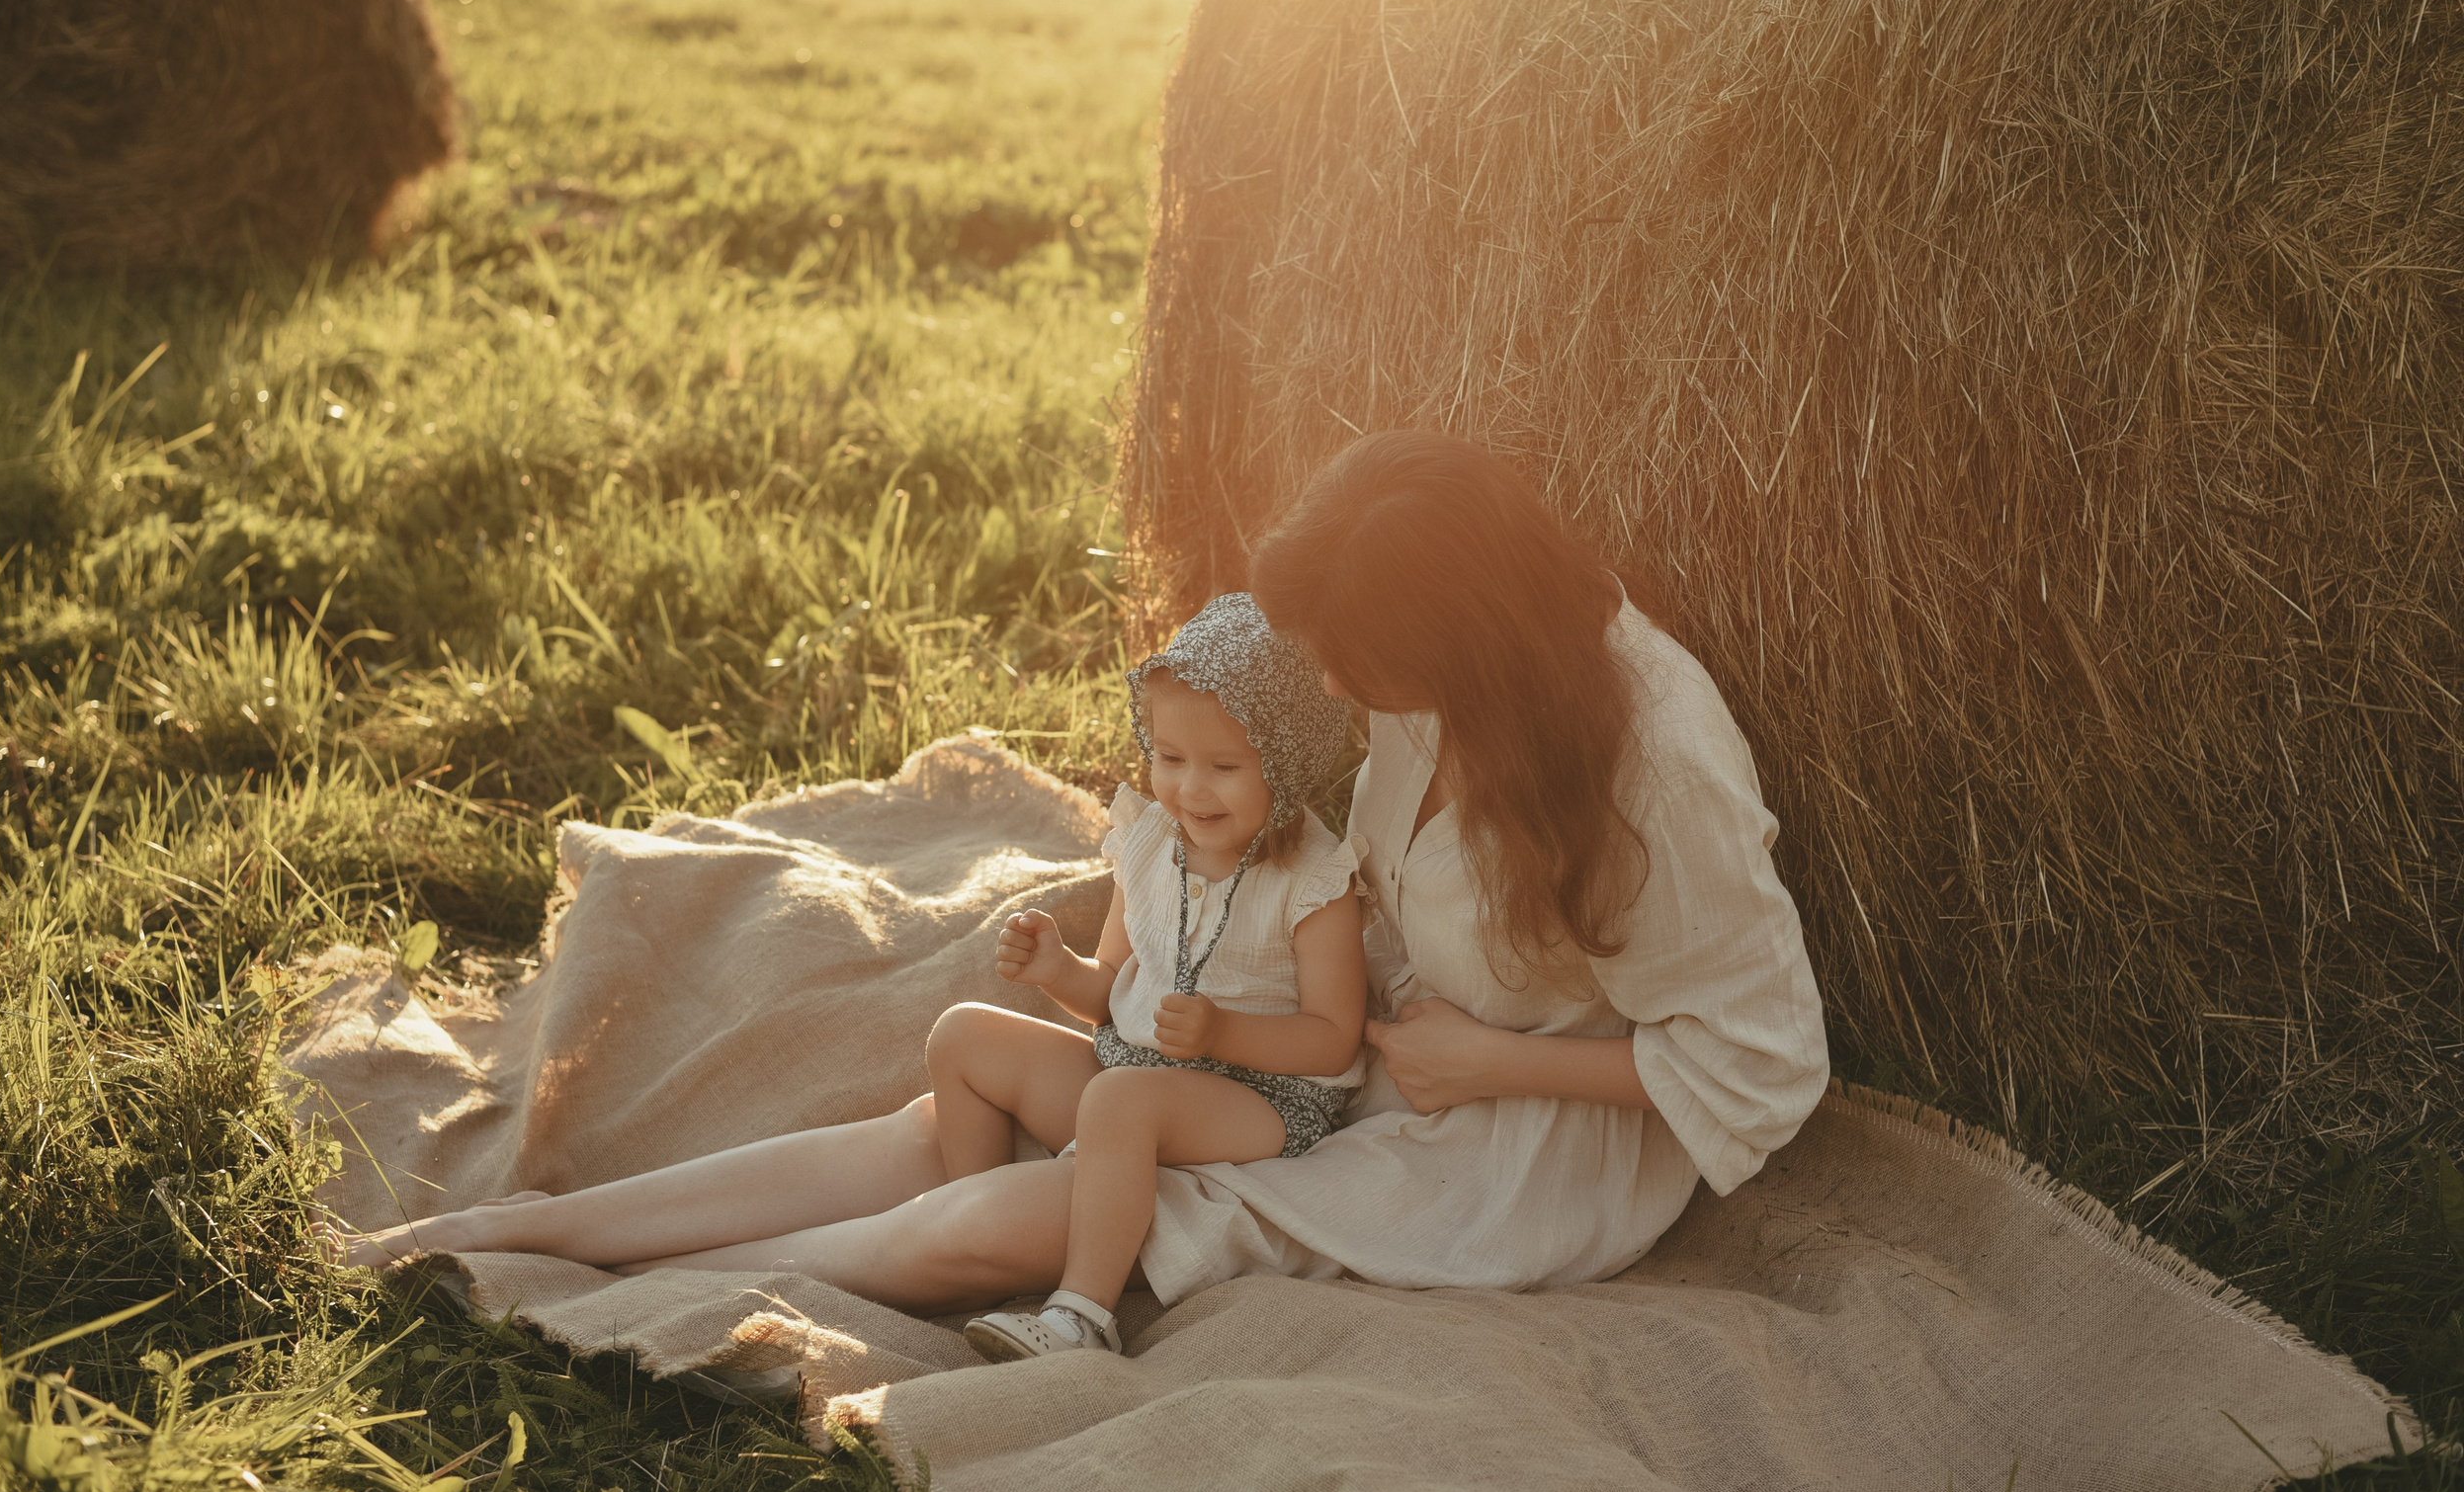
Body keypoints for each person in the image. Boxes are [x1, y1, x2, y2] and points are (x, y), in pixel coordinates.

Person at [339, 430, 1827, 1322]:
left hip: (1498, 1127)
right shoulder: (1433, 669)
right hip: (1334, 1042)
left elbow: (1763, 1063)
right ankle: (514, 1230)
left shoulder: (1654, 773)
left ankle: (659, 1290)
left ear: (1463, 638)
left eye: (1361, 665)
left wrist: (1480, 1053)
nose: (1342, 687)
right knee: (957, 1117)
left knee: (1032, 1217)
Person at [956, 593, 1365, 1361]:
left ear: (1288, 761)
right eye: (1170, 758)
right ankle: (978, 1241)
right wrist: (1058, 971)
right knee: (964, 1035)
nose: (1190, 789)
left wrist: (1224, 1032)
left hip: (1266, 1099)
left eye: (1225, 766)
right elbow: (1111, 992)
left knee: (1117, 1099)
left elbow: (1336, 1036)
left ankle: (1082, 1316)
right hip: (1139, 1070)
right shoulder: (1150, 843)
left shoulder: (1315, 882)